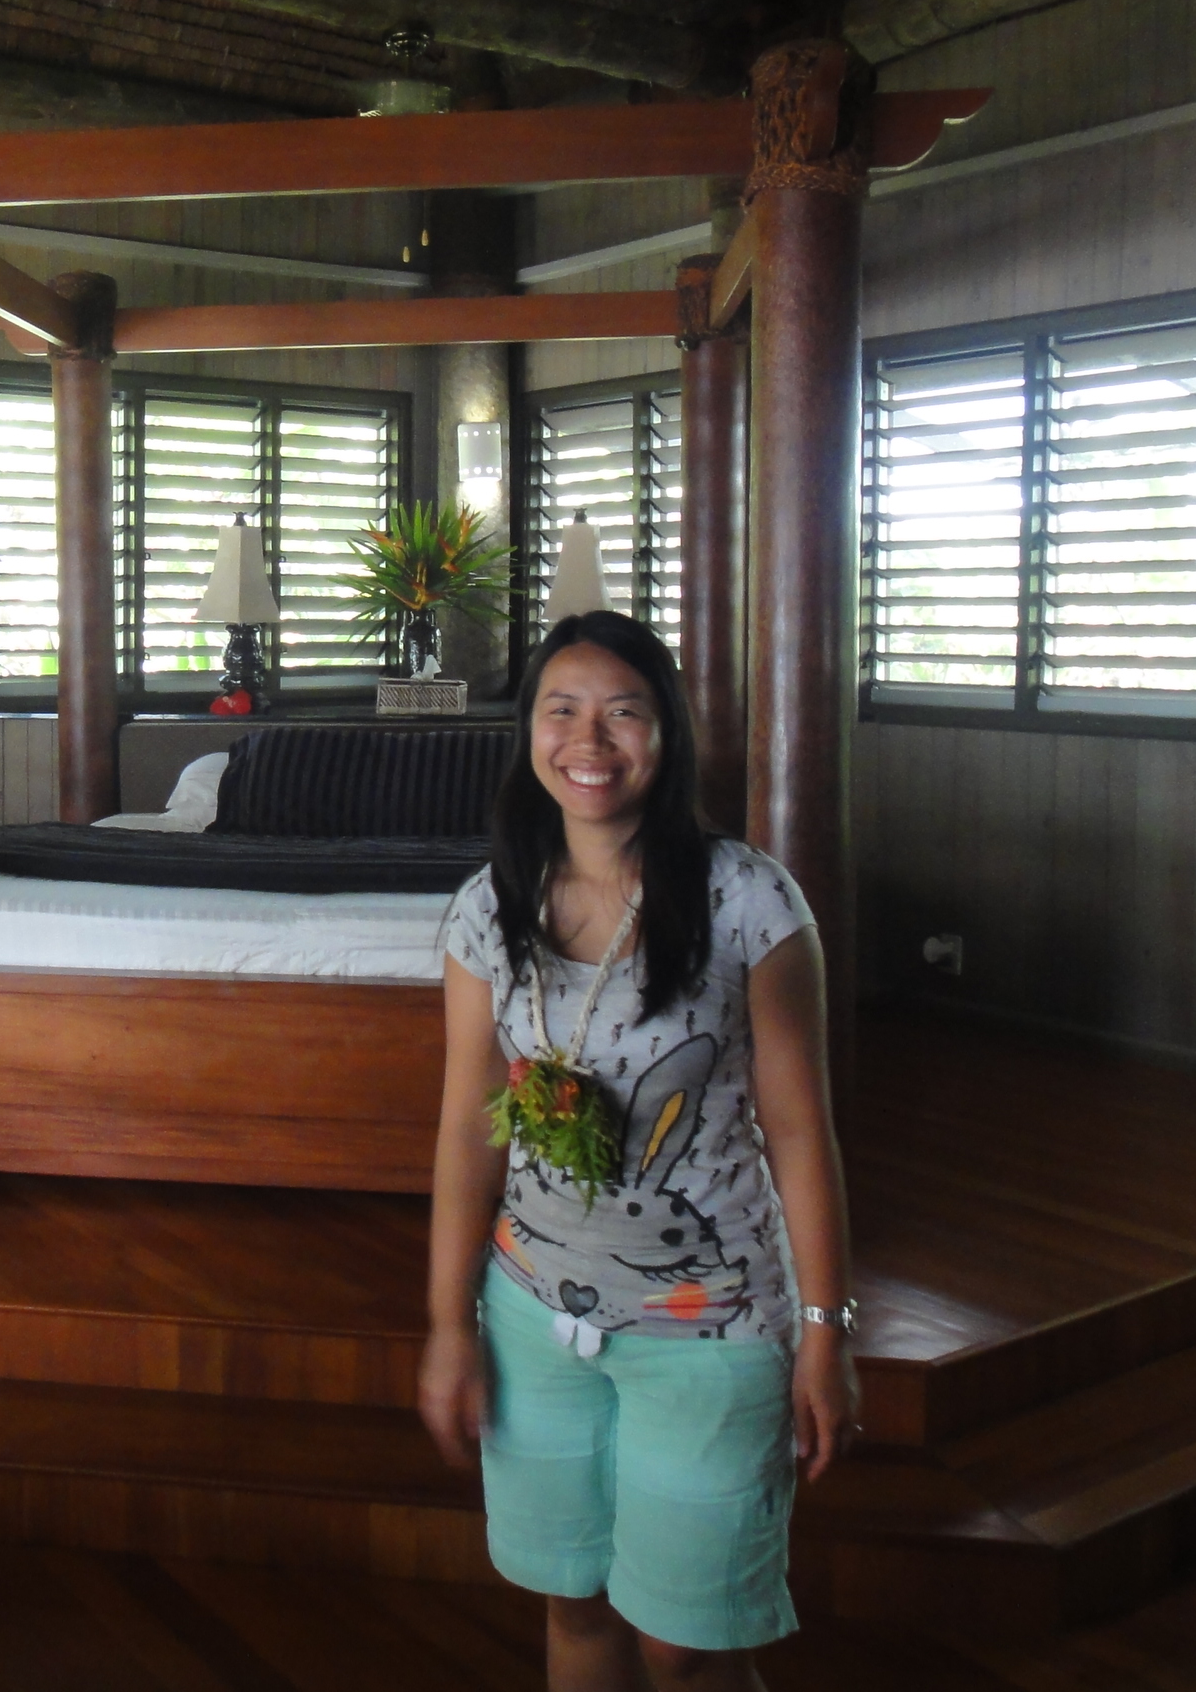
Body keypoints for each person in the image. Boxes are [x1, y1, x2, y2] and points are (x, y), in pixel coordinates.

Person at [419, 609, 858, 1692]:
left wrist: (824, 1331)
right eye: (561, 710)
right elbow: (467, 1128)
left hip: (712, 1328)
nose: (589, 740)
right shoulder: (488, 909)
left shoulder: (747, 900)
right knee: (574, 1608)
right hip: (531, 1317)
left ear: (666, 736)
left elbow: (800, 1132)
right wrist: (448, 1324)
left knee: (685, 1649)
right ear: (528, 731)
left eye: (623, 713)